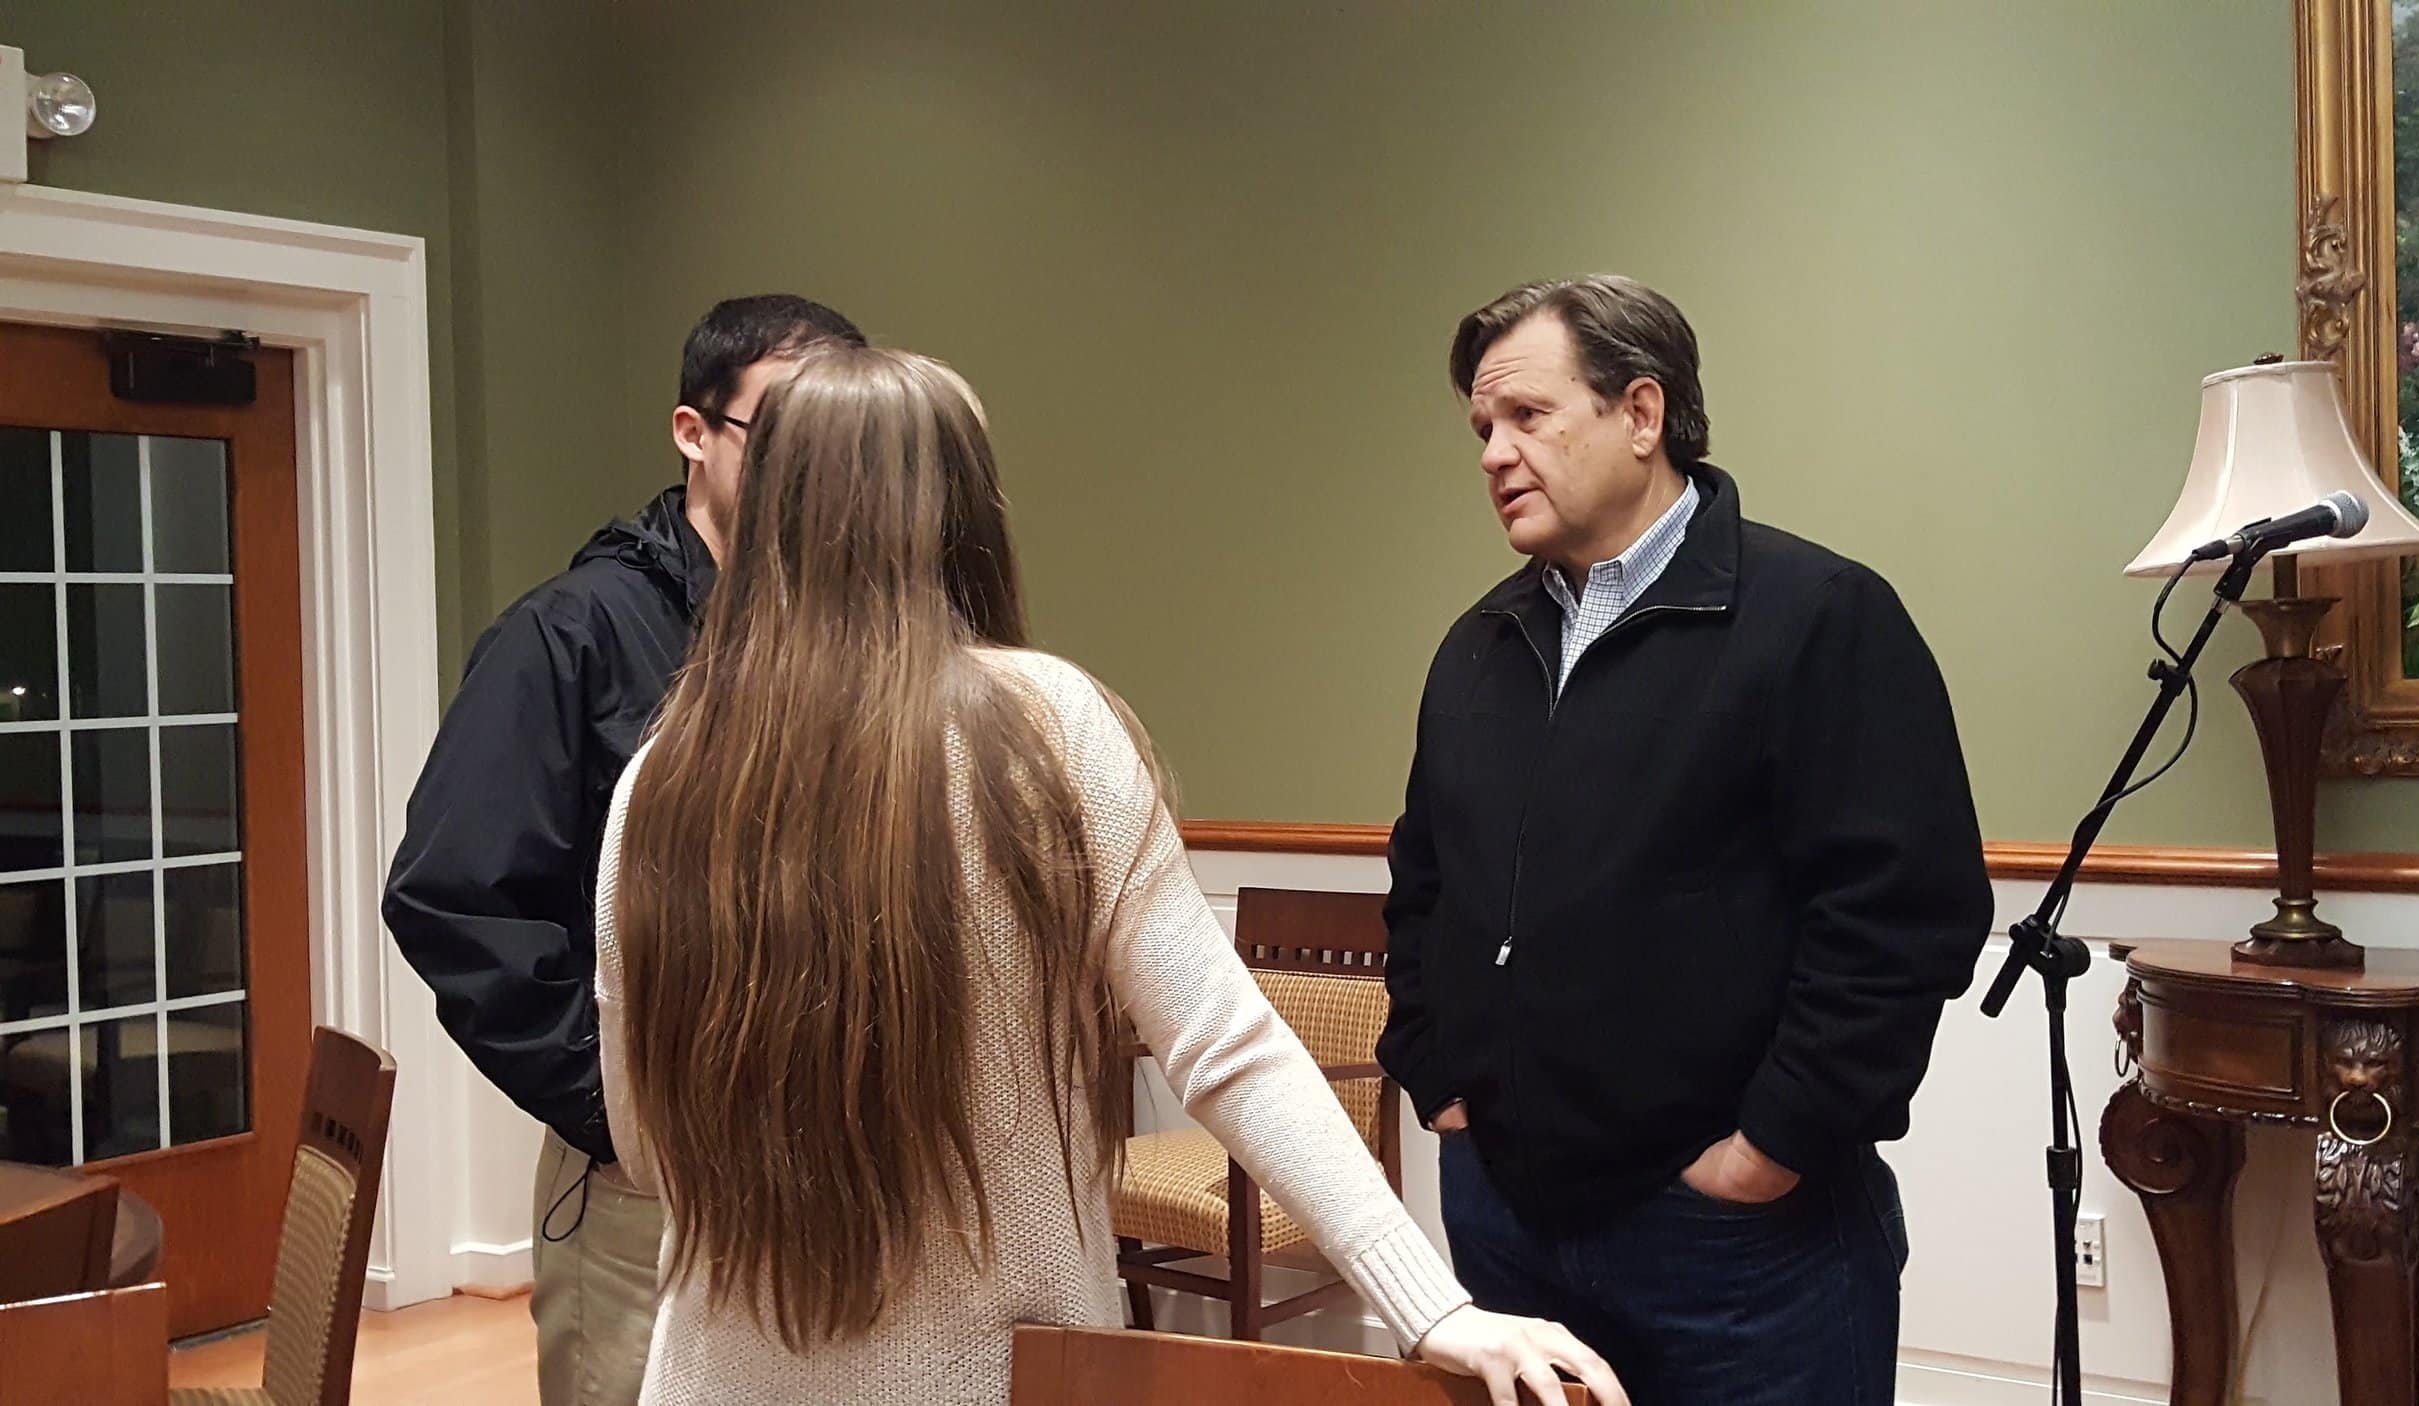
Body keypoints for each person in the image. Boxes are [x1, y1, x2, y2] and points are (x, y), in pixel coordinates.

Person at [592, 349, 1627, 1406]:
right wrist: (1430, 1304)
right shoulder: (1041, 727)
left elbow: (639, 1133)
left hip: (710, 1373)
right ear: (958, 509)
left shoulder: (664, 770)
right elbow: (1226, 1043)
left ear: (768, 515)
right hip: (994, 1375)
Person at [1377, 275, 1994, 1405]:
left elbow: (1904, 914)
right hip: (1507, 1225)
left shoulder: (1818, 615)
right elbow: (1423, 882)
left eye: (1526, 417)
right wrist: (1436, 1078)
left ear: (1642, 414)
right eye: (1480, 428)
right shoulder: (1478, 646)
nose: (1492, 453)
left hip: (1736, 1245)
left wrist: (1767, 1150)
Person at [382, 295, 866, 1406]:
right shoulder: (569, 633)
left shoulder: (844, 634)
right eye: (784, 433)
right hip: (648, 1191)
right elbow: (453, 897)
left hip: (827, 1177)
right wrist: (624, 1117)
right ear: (694, 432)